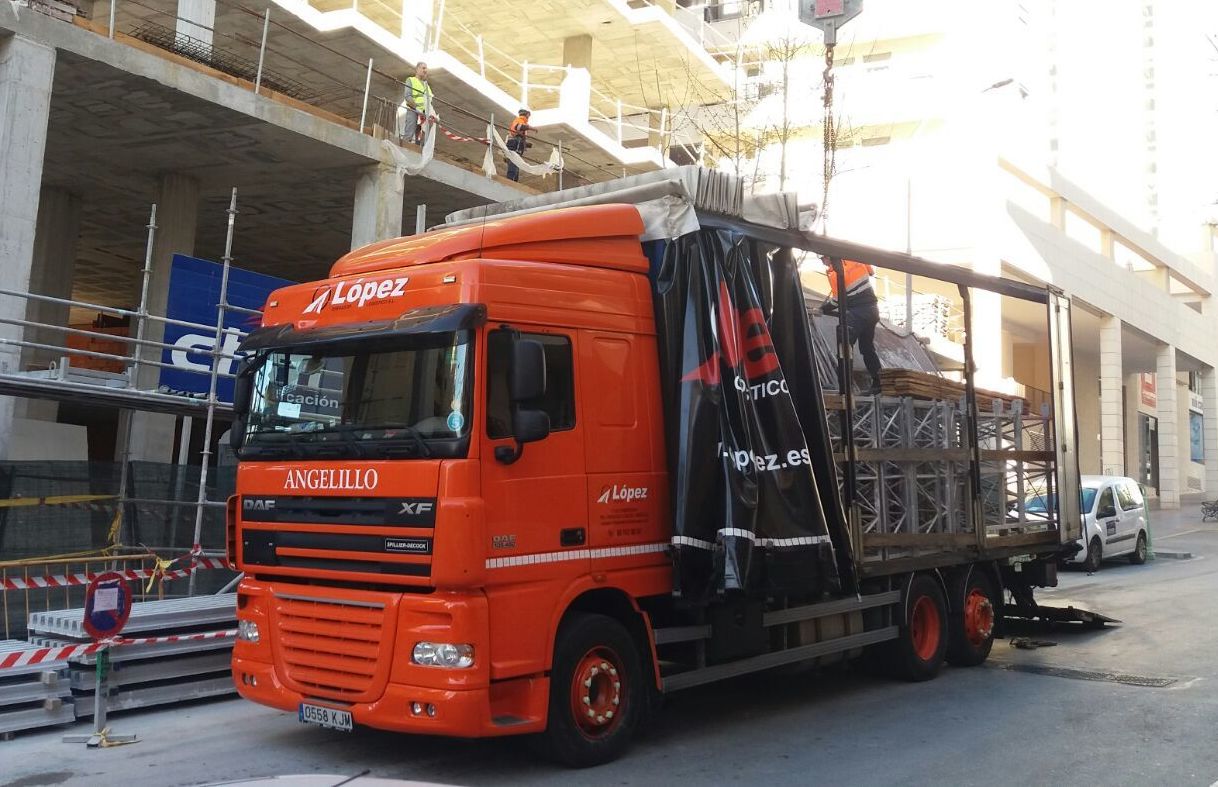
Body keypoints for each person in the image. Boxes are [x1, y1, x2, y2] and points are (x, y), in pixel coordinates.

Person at [821, 257, 883, 394]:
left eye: (822, 258)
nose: (822, 262)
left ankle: (846, 386)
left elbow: (837, 301)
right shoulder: (854, 257)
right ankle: (879, 382)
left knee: (844, 344)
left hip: (859, 311)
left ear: (828, 256)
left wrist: (823, 309)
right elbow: (871, 272)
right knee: (867, 348)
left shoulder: (835, 273)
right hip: (873, 309)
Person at [399, 62, 433, 145]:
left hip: (424, 114)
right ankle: (404, 148)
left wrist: (431, 113)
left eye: (426, 68)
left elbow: (430, 101)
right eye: (423, 68)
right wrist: (417, 108)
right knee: (409, 133)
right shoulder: (410, 80)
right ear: (417, 69)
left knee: (422, 138)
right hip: (413, 110)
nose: (425, 70)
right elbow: (408, 97)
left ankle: (419, 153)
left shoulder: (426, 85)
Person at [505, 108, 533, 181]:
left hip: (514, 142)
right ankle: (511, 180)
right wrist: (532, 128)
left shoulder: (518, 120)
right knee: (515, 161)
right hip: (515, 142)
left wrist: (526, 144)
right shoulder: (521, 120)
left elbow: (516, 133)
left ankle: (514, 180)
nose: (528, 117)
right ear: (526, 114)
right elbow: (518, 127)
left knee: (516, 161)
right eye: (528, 115)